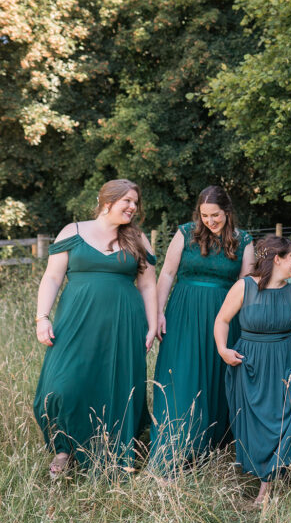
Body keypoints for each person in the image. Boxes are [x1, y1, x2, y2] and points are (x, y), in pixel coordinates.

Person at [34, 179, 158, 476]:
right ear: (107, 201)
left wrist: (153, 324)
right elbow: (52, 277)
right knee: (60, 386)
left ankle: (111, 452)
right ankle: (65, 447)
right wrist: (42, 317)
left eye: (135, 202)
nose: (133, 207)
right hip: (75, 322)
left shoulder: (137, 238)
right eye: (127, 201)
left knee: (115, 384)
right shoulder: (73, 231)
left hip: (123, 323)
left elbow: (148, 284)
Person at [148, 186, 254, 476]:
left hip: (223, 316)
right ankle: (173, 449)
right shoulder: (184, 233)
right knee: (180, 376)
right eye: (205, 215)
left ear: (227, 212)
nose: (210, 221)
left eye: (216, 215)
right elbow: (167, 273)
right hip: (183, 312)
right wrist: (157, 312)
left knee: (215, 379)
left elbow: (247, 285)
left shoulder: (244, 240)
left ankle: (207, 448)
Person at [216, 236, 291, 506]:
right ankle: (261, 469)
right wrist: (222, 349)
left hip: (284, 360)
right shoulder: (244, 286)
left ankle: (267, 487)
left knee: (280, 420)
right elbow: (222, 320)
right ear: (277, 259)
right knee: (254, 422)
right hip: (250, 363)